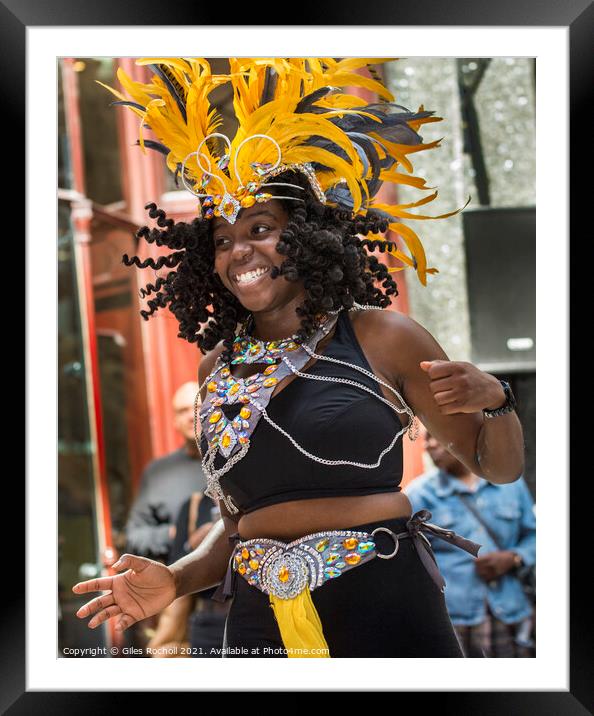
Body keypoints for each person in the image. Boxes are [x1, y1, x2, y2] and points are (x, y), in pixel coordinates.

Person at [73, 58, 525, 658]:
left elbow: (497, 468)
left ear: (309, 234)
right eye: (224, 240)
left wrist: (497, 403)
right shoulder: (217, 367)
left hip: (382, 595)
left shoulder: (382, 335)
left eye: (260, 228)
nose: (240, 251)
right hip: (259, 616)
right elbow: (237, 524)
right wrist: (177, 580)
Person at [405, 428, 536, 657]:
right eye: (427, 439)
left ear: (467, 439)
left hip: (512, 610)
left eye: (437, 435)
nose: (430, 445)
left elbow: (536, 536)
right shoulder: (417, 496)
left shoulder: (509, 484)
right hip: (454, 618)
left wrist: (515, 557)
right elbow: (409, 563)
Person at [124, 382, 206, 563]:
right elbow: (134, 536)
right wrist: (177, 533)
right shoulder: (157, 473)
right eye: (183, 410)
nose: (192, 416)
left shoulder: (240, 458)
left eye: (198, 407)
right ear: (174, 421)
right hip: (187, 583)